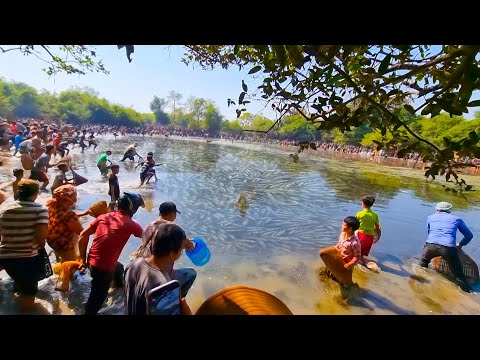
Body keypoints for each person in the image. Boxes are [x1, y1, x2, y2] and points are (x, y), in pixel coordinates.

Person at [78, 192, 144, 315]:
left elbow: (83, 235)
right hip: (103, 268)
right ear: (133, 208)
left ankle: (118, 289)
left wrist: (82, 259)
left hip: (92, 261)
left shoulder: (104, 217)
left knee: (119, 268)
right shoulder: (131, 224)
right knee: (97, 298)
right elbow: (149, 238)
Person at [0, 179, 50, 313]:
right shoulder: (40, 209)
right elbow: (41, 237)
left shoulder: (4, 208)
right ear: (36, 193)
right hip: (26, 258)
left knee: (17, 279)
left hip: (5, 257)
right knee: (29, 291)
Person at [124, 222, 195, 315]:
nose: (181, 252)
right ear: (172, 254)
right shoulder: (164, 287)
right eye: (181, 250)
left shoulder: (133, 265)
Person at [419, 201, 474, 292]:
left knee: (422, 265)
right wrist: (460, 245)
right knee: (458, 275)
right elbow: (469, 235)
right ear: (449, 210)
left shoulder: (430, 217)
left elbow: (429, 233)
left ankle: (422, 284)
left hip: (430, 246)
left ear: (436, 209)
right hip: (448, 248)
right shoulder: (456, 219)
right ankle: (468, 293)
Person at [46, 185, 84, 262]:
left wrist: (84, 214)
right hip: (65, 246)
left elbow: (63, 219)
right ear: (68, 198)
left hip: (53, 242)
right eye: (75, 194)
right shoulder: (69, 215)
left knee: (60, 262)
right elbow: (81, 232)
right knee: (70, 267)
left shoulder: (52, 208)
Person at [355, 195, 381, 262]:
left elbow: (354, 224)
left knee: (355, 252)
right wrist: (378, 234)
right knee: (362, 253)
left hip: (360, 236)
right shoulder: (374, 215)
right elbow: (377, 227)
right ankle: (362, 260)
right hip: (370, 238)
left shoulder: (359, 214)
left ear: (363, 203)